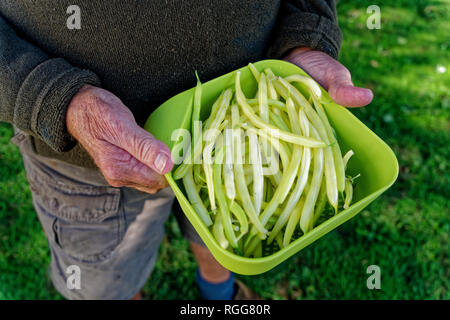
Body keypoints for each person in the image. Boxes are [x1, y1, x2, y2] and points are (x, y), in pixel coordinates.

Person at [0, 1, 372, 300]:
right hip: (84, 156)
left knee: (223, 235)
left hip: (245, 140)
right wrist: (52, 98)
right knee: (103, 281)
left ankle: (219, 294)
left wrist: (306, 33)